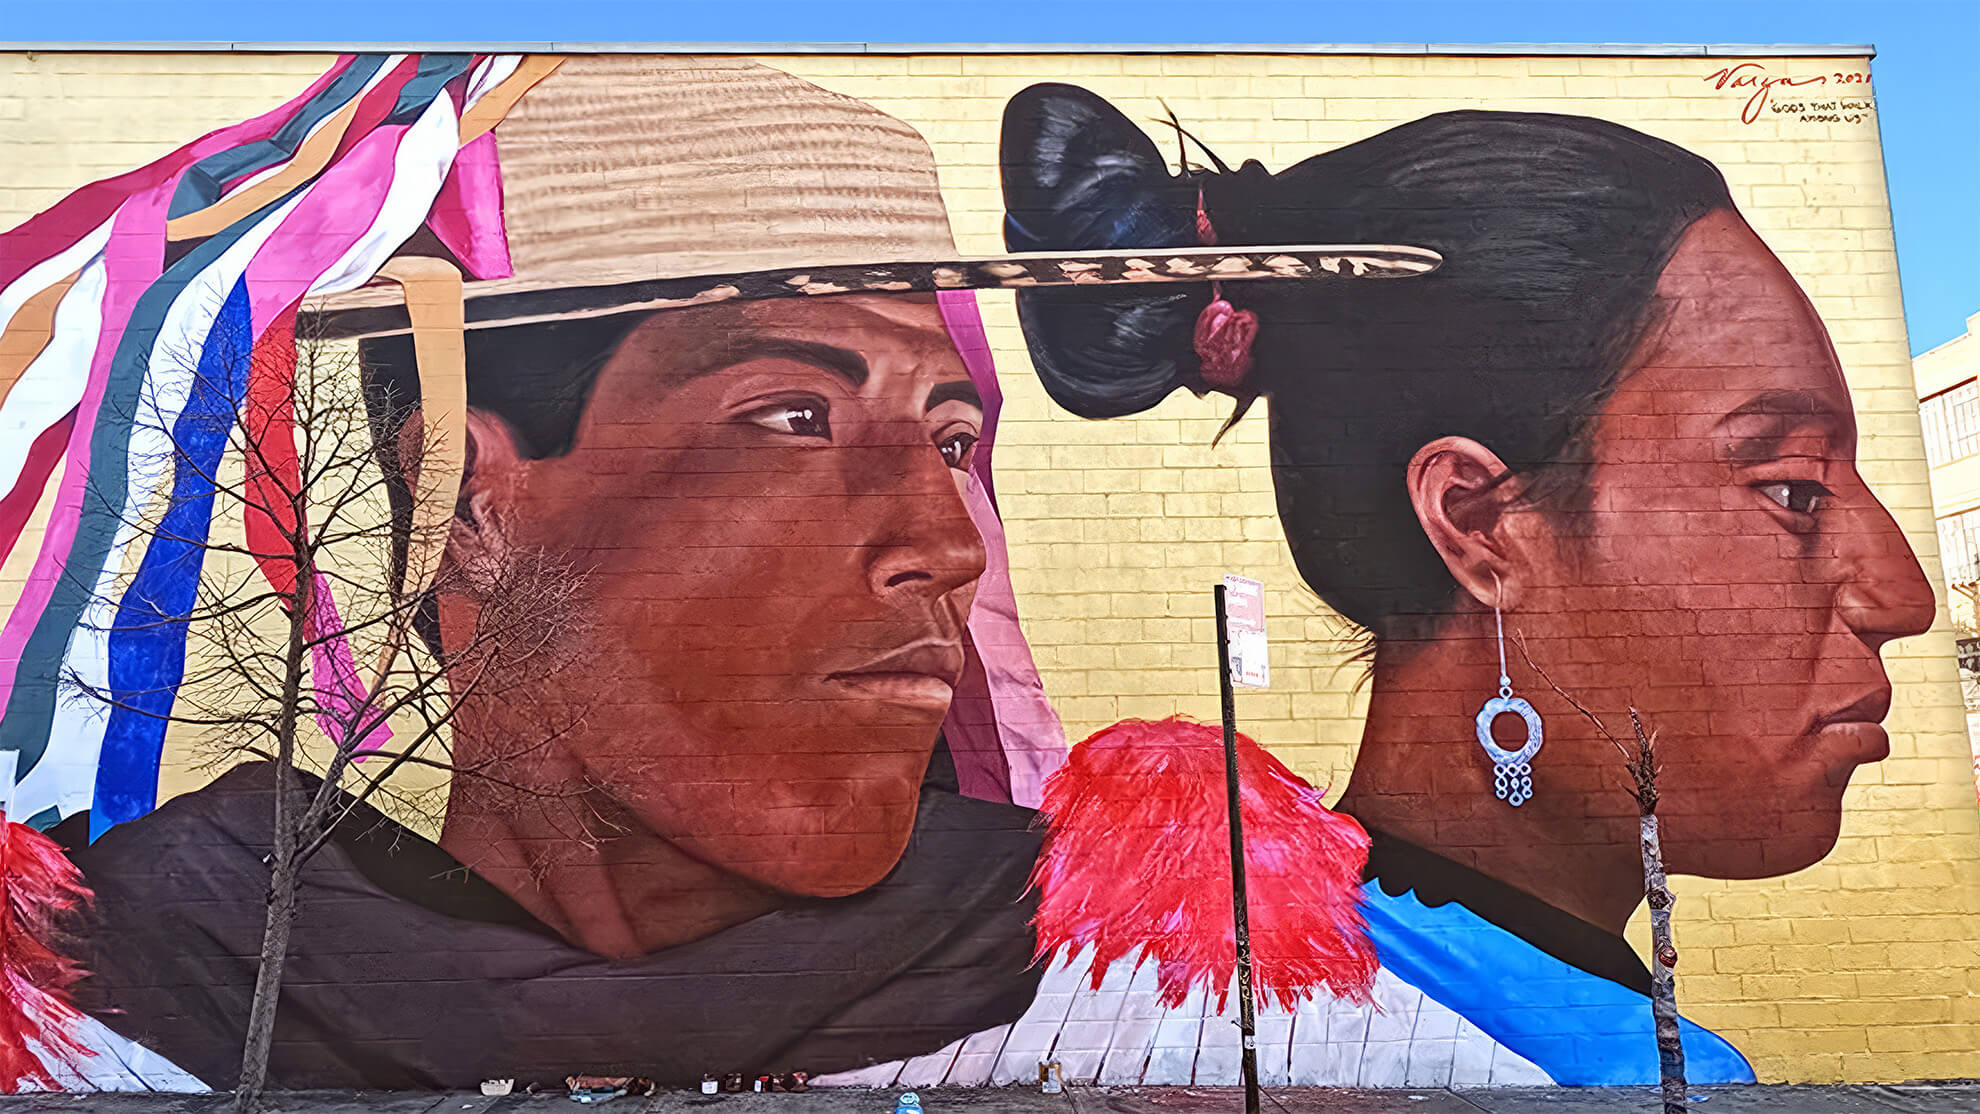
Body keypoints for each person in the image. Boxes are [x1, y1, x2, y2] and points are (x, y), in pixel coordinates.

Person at [3, 57, 1420, 1092]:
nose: (951, 540)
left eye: (950, 436)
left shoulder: (1128, 986)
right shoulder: (147, 990)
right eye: (793, 417)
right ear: (469, 508)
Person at [955, 83, 1937, 1089]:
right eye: (1792, 489)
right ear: (1478, 523)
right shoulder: (1523, 1057)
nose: (1903, 595)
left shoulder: (1201, 977)